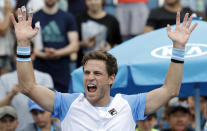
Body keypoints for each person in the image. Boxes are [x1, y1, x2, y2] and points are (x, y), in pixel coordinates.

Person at [11, 5, 197, 130]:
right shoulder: (67, 103)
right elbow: (28, 87)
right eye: (87, 72)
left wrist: (179, 48)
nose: (90, 77)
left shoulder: (129, 105)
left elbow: (171, 89)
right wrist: (23, 43)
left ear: (111, 78)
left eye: (97, 73)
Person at [0, 42, 54, 131]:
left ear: (33, 55)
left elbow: (52, 107)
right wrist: (11, 94)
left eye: (27, 54)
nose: (24, 57)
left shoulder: (45, 77)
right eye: (20, 54)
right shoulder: (4, 79)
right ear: (14, 56)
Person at [32, 0, 79, 93]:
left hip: (62, 69)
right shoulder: (35, 17)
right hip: (41, 67)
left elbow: (74, 45)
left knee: (62, 101)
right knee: (39, 103)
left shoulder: (67, 17)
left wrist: (57, 53)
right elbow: (31, 46)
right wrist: (45, 55)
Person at [76, 0, 122, 67]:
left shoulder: (112, 21)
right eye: (89, 0)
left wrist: (110, 49)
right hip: (83, 65)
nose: (93, 2)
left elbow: (118, 44)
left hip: (106, 66)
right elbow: (72, 45)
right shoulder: (78, 19)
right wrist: (83, 44)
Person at [0, 0, 15, 76]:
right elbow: (2, 30)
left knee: (4, 85)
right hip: (1, 53)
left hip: (8, 52)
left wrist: (12, 11)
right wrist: (9, 11)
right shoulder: (6, 9)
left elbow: (13, 27)